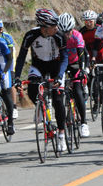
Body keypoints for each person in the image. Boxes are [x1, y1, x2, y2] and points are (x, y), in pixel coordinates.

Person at [14, 9, 69, 152]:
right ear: (44, 26)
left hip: (56, 66)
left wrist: (60, 75)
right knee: (32, 89)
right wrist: (17, 77)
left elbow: (65, 58)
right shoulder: (30, 35)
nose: (57, 28)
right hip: (38, 66)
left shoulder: (59, 36)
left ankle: (62, 135)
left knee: (58, 99)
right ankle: (41, 105)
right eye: (53, 25)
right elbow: (21, 57)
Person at [58, 13, 90, 138]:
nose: (66, 35)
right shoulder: (58, 38)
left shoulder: (77, 36)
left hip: (76, 63)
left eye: (68, 32)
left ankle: (83, 123)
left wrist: (83, 69)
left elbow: (81, 53)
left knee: (77, 91)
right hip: (63, 64)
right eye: (63, 32)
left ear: (72, 29)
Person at [0, 19, 19, 120]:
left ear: (1, 29)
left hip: (8, 58)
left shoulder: (6, 38)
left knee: (10, 83)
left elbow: (11, 57)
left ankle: (14, 107)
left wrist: (11, 71)